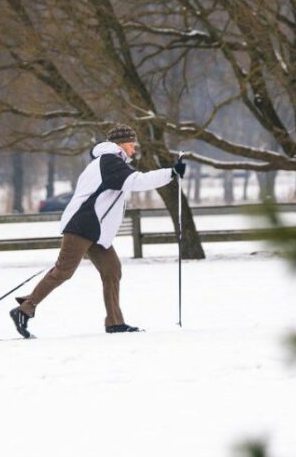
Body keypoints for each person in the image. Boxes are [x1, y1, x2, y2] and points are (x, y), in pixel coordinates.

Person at [10, 124, 186, 337]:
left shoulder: (108, 161)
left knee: (112, 270)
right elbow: (137, 181)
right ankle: (25, 309)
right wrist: (171, 172)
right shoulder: (109, 161)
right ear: (121, 144)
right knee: (63, 271)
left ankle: (114, 322)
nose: (134, 150)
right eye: (131, 145)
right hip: (82, 225)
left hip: (95, 231)